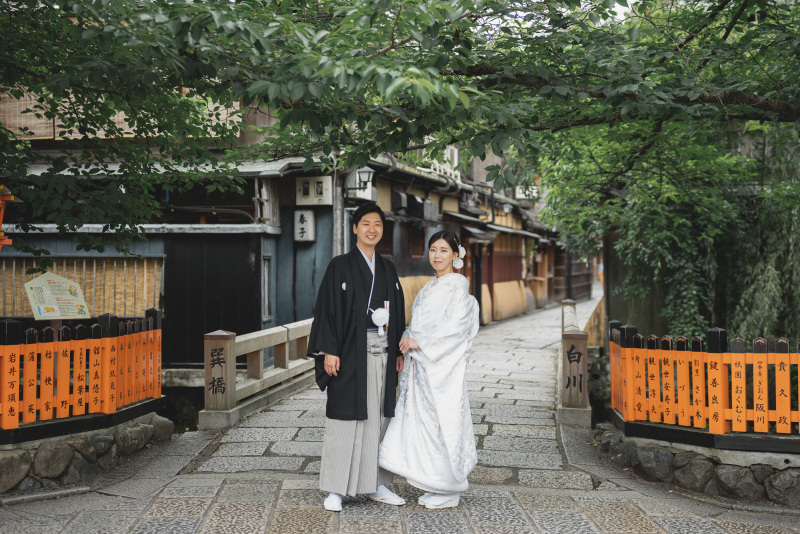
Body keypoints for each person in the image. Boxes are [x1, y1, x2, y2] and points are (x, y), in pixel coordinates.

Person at [307, 203, 407, 512]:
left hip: (383, 350)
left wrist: (398, 348)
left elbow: (398, 310)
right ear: (354, 228)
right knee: (345, 417)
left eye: (377, 224)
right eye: (366, 223)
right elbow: (326, 309)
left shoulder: (388, 267)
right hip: (349, 352)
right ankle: (336, 489)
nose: (372, 229)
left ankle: (375, 484)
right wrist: (329, 350)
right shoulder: (340, 265)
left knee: (379, 417)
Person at [378, 231, 480, 509]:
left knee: (442, 423)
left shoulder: (457, 287)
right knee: (426, 425)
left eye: (444, 251)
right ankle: (435, 483)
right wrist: (408, 338)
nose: (437, 255)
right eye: (433, 249)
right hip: (423, 365)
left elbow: (455, 330)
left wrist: (419, 342)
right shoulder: (432, 285)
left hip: (441, 368)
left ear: (455, 256)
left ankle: (450, 488)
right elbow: (419, 322)